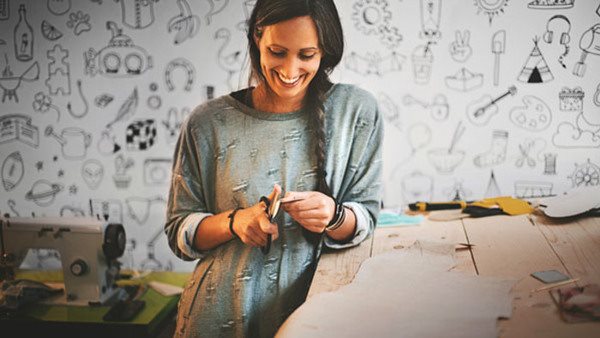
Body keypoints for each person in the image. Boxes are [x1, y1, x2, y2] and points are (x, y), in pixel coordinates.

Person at [165, 0, 383, 336]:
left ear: (325, 50)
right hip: (218, 319)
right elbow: (179, 232)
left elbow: (366, 219)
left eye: (306, 55)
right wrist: (235, 222)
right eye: (277, 52)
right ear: (257, 38)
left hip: (324, 323)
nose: (290, 69)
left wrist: (334, 216)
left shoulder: (357, 112)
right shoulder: (207, 123)